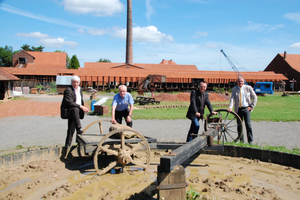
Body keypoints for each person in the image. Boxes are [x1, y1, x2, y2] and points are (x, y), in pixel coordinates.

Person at [60, 75, 89, 158]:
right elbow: (70, 103)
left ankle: (70, 146)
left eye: (77, 82)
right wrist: (81, 107)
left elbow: (80, 100)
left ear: (79, 83)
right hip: (70, 111)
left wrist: (82, 106)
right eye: (74, 82)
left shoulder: (79, 89)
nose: (75, 84)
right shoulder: (68, 90)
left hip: (76, 112)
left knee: (71, 130)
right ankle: (79, 128)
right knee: (74, 109)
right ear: (71, 83)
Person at [228, 76, 257, 144]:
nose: (240, 82)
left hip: (246, 109)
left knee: (248, 125)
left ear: (244, 82)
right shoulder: (234, 89)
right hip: (238, 110)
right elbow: (232, 98)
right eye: (239, 81)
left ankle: (250, 141)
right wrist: (230, 107)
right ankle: (241, 140)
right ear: (237, 82)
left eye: (241, 81)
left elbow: (255, 97)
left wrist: (251, 106)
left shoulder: (248, 88)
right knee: (239, 125)